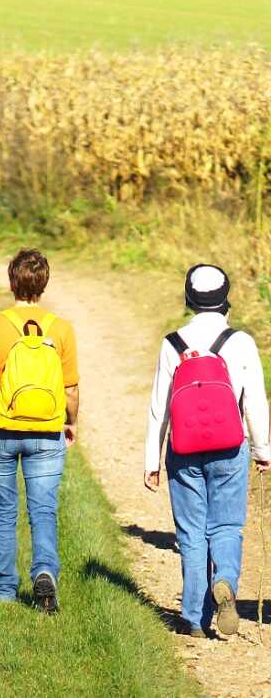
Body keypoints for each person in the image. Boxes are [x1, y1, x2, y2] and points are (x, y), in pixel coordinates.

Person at [145, 264, 271, 638]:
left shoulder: (173, 343)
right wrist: (263, 449)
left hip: (183, 450)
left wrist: (152, 460)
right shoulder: (241, 342)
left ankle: (194, 618)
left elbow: (159, 407)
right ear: (225, 299)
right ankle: (227, 582)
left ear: (189, 299)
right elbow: (255, 404)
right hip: (230, 448)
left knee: (191, 532)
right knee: (227, 525)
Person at [0, 248, 79, 612]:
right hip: (46, 428)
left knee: (3, 511)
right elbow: (71, 388)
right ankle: (44, 571)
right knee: (43, 509)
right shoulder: (61, 328)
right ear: (44, 283)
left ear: (11, 281)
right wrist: (71, 421)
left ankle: (2, 591)